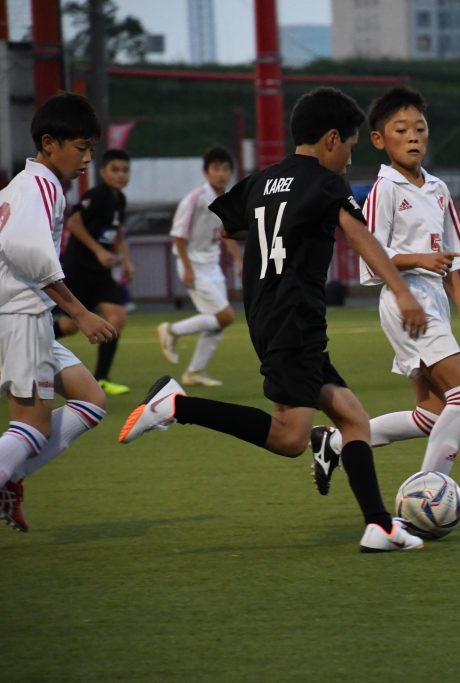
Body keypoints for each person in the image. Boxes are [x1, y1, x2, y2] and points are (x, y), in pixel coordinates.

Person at [119, 87, 430, 553]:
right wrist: (403, 292)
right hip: (295, 320)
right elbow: (359, 234)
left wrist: (272, 224)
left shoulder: (263, 180)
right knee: (289, 437)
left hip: (268, 316)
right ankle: (177, 406)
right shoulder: (327, 184)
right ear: (331, 139)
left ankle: (379, 526)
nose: (349, 157)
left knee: (353, 419)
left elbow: (228, 226)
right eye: (349, 145)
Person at [310, 86, 460, 499]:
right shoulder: (383, 189)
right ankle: (429, 492)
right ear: (378, 140)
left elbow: (449, 255)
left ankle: (331, 443)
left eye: (420, 129)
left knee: (431, 414)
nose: (413, 137)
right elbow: (372, 260)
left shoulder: (438, 189)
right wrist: (418, 259)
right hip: (406, 301)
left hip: (434, 302)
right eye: (401, 130)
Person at [0, 92, 117, 532]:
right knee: (31, 425)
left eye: (91, 149)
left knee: (91, 399)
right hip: (21, 315)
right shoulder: (42, 186)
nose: (87, 159)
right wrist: (81, 313)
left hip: (27, 316)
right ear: (49, 143)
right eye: (81, 148)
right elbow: (26, 251)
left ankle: (11, 475)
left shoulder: (21, 185)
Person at [156, 146, 243, 387]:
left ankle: (194, 372)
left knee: (216, 323)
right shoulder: (195, 198)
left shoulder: (226, 200)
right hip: (193, 263)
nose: (222, 174)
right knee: (225, 316)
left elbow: (228, 233)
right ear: (206, 172)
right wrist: (187, 267)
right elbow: (178, 235)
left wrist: (238, 261)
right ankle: (172, 330)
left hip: (212, 265)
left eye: (226, 169)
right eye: (216, 169)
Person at [55, 148, 134, 393]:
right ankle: (17, 344)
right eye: (115, 170)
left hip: (100, 274)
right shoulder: (97, 195)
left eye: (125, 170)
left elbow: (116, 231)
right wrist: (98, 250)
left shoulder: (119, 199)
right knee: (68, 326)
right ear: (103, 172)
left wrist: (126, 260)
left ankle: (102, 377)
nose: (121, 175)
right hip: (79, 269)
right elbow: (74, 222)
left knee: (117, 317)